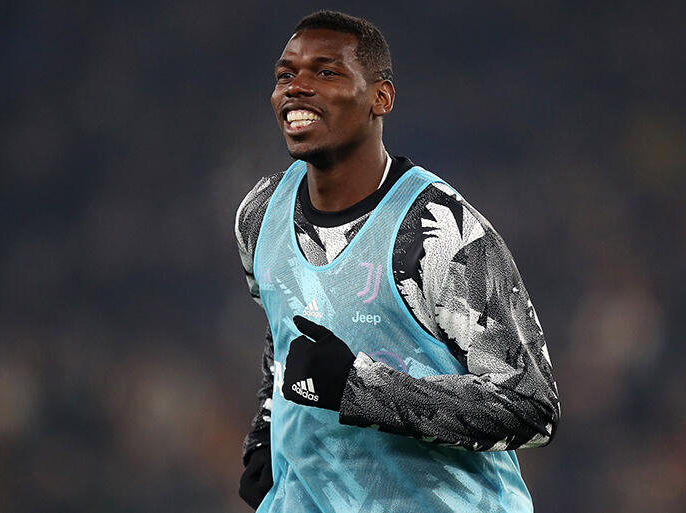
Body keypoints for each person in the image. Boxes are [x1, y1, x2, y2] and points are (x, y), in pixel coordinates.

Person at [234, 10, 560, 513]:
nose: (296, 87)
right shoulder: (260, 215)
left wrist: (360, 389)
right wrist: (265, 427)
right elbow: (284, 335)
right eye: (285, 75)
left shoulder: (439, 231)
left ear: (380, 98)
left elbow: (532, 407)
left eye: (326, 72)